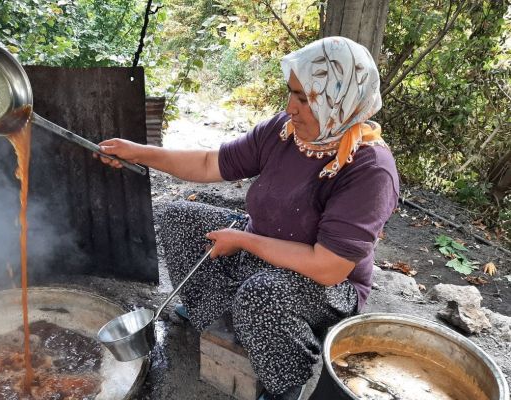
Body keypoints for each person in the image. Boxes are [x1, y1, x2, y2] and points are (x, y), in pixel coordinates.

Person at [95, 36, 399, 400]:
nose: (292, 108)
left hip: (325, 288)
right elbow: (210, 163)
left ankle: (285, 380)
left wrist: (242, 240)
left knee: (262, 294)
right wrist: (139, 152)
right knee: (177, 216)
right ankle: (215, 315)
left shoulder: (369, 169)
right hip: (261, 248)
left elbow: (329, 267)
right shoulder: (282, 132)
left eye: (306, 99)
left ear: (343, 100)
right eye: (291, 93)